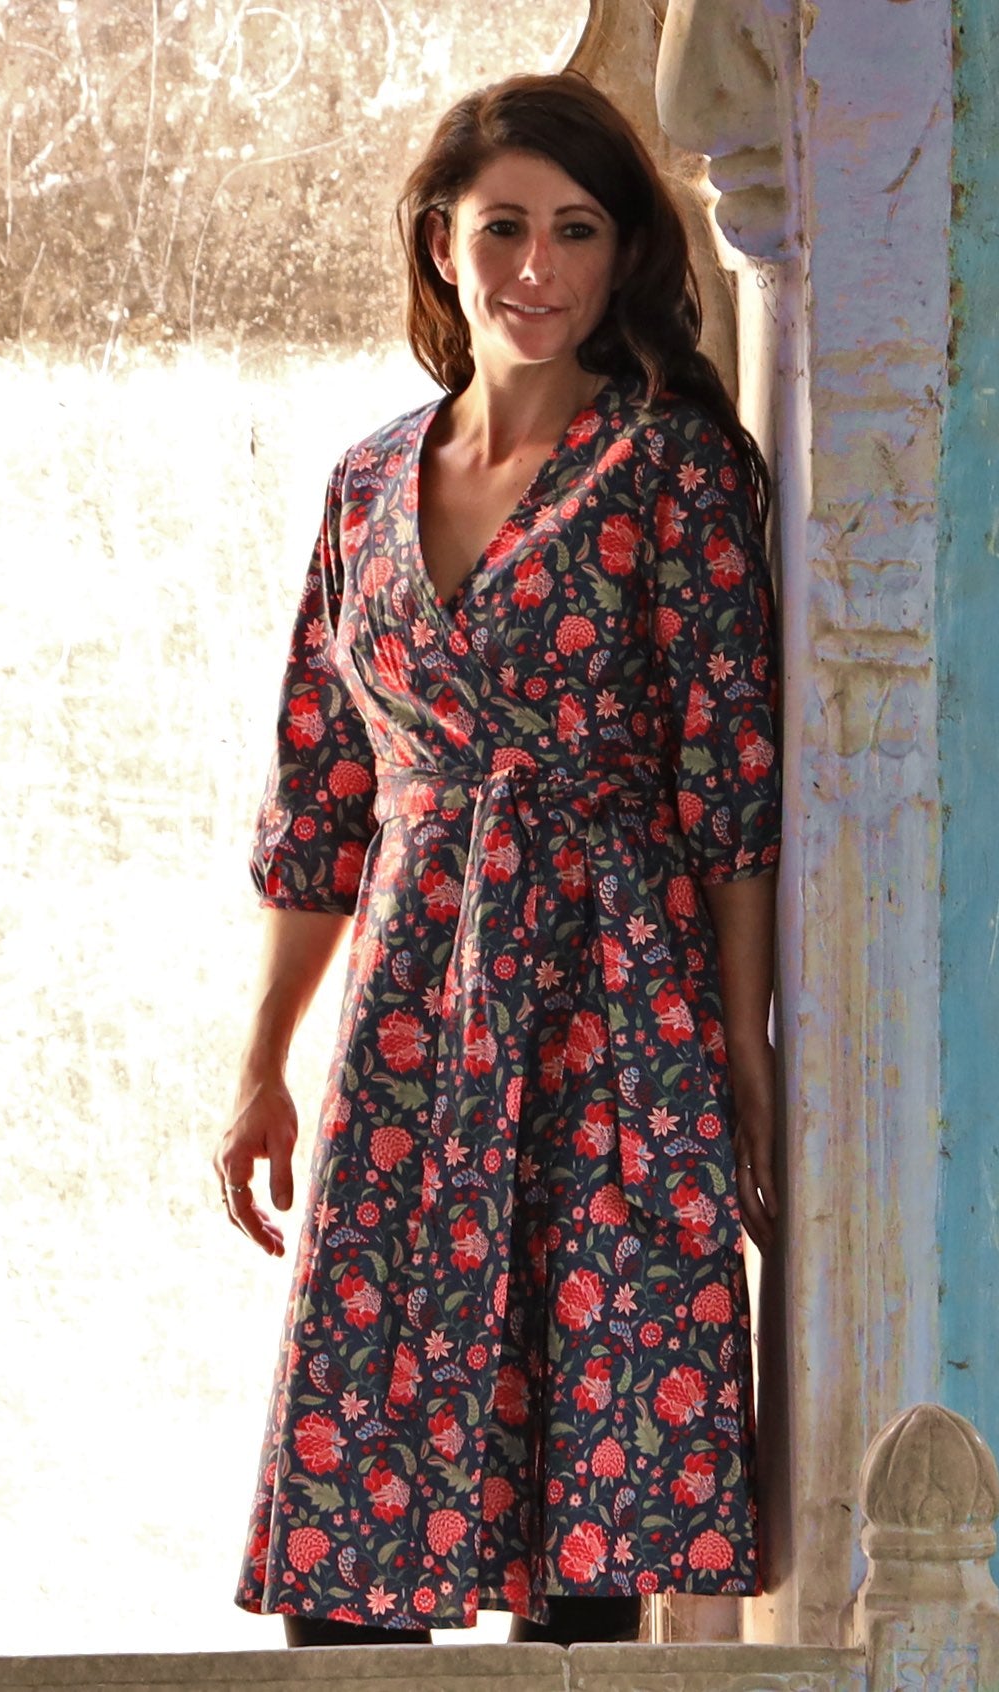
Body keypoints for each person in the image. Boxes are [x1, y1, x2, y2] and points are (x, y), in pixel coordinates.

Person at [214, 70, 780, 1649]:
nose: (538, 267)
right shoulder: (362, 484)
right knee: (354, 1526)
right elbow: (319, 799)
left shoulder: (679, 473)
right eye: (505, 228)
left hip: (614, 1013)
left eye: (578, 231)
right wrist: (262, 1065)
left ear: (623, 258)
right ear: (442, 247)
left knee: (590, 1522)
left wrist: (742, 1051)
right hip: (409, 1020)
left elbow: (734, 790)